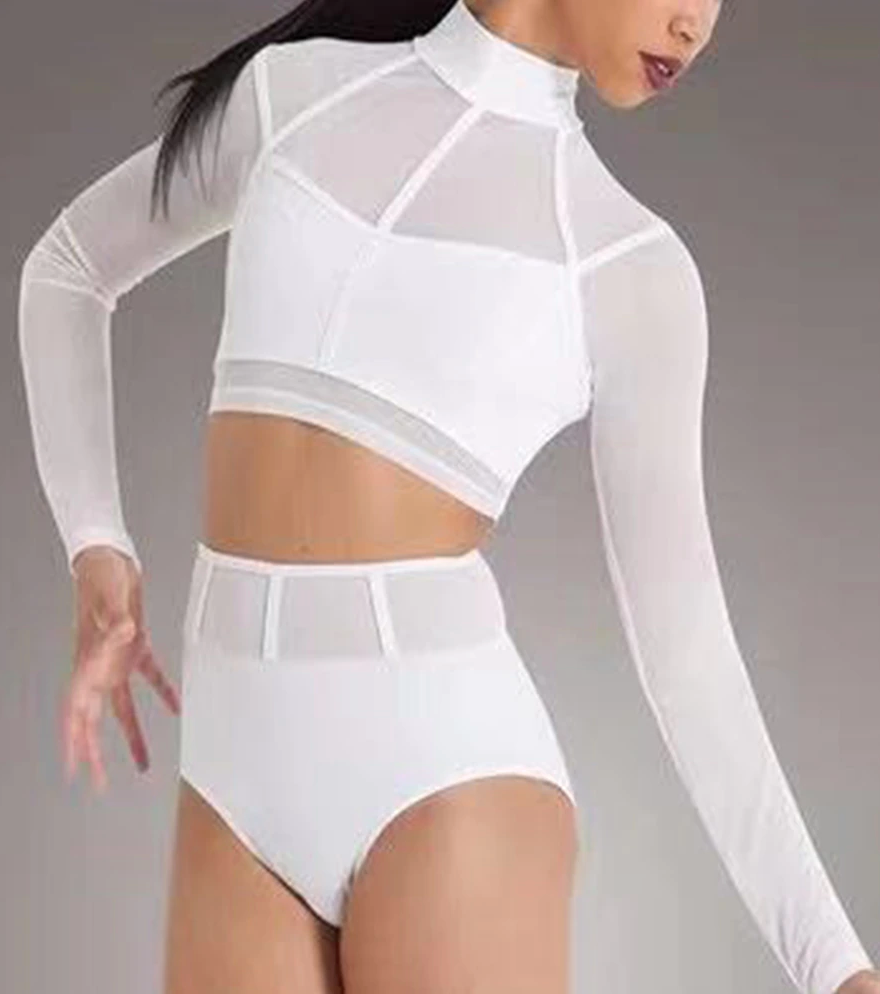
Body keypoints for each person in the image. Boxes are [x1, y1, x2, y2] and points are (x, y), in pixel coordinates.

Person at [16, 1, 877, 992]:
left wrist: (834, 968)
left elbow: (686, 651)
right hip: (232, 777)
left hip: (446, 777)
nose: (697, 23)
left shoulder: (626, 267)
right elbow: (68, 271)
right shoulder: (291, 98)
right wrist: (97, 545)